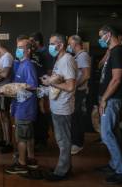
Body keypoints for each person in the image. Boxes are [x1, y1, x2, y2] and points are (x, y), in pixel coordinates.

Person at [95, 25, 122, 184]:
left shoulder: (118, 52)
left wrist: (104, 98)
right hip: (107, 98)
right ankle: (114, 164)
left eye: (101, 36)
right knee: (111, 133)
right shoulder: (112, 52)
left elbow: (116, 79)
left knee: (106, 134)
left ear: (109, 35)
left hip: (111, 99)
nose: (100, 39)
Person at [41, 33, 77, 181]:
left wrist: (51, 82)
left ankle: (62, 171)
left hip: (63, 107)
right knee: (61, 139)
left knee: (63, 141)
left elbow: (70, 86)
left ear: (61, 45)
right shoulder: (59, 59)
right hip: (57, 105)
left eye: (52, 43)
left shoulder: (67, 60)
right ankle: (65, 166)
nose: (50, 46)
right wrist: (50, 80)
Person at [4, 36, 38, 175]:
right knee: (28, 135)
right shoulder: (20, 64)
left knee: (22, 137)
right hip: (20, 106)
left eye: (20, 48)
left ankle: (21, 164)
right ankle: (31, 159)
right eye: (17, 47)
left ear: (28, 50)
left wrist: (18, 86)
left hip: (25, 108)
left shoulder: (28, 65)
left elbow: (33, 86)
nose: (17, 50)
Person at [29, 32, 54, 150]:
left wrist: (46, 90)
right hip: (34, 88)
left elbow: (49, 72)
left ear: (37, 42)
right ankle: (37, 138)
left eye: (31, 41)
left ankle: (42, 140)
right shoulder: (34, 53)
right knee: (36, 114)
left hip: (43, 87)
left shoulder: (46, 53)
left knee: (42, 113)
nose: (30, 43)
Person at [67, 35, 91, 155]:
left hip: (80, 91)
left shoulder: (83, 56)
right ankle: (74, 142)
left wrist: (74, 85)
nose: (69, 46)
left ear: (75, 44)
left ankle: (78, 144)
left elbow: (86, 75)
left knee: (77, 117)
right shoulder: (77, 56)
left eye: (70, 44)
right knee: (74, 117)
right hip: (76, 91)